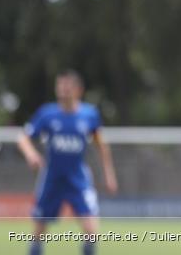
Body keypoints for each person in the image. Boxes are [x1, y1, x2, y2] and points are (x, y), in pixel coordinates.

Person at [16, 70, 118, 255]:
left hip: (77, 178)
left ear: (78, 90)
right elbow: (23, 138)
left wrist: (109, 175)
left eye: (67, 86)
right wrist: (31, 154)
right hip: (52, 178)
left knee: (91, 230)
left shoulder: (89, 115)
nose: (63, 90)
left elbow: (102, 147)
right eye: (60, 86)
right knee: (39, 231)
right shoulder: (47, 114)